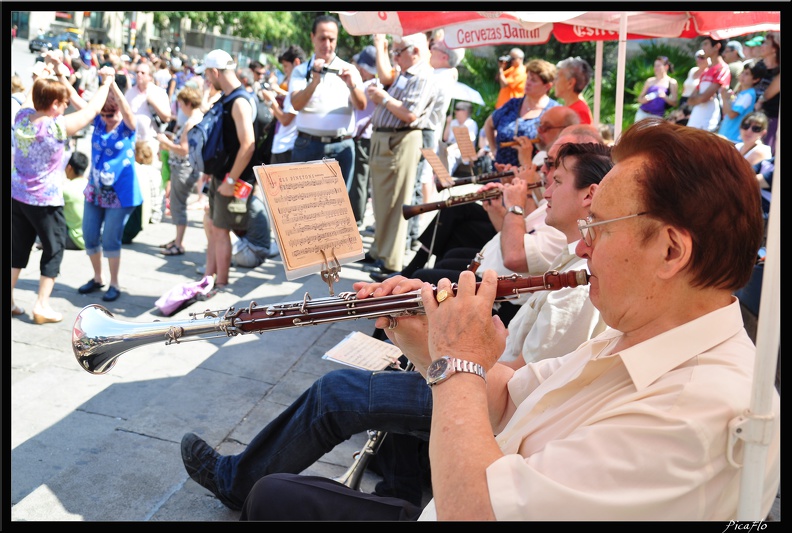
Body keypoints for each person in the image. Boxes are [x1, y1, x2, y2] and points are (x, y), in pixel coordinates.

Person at [237, 117, 779, 521]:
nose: (583, 249)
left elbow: (474, 510)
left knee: (278, 500)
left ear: (669, 251)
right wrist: (430, 339)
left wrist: (458, 362)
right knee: (276, 496)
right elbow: (512, 395)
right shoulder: (638, 335)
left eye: (600, 229)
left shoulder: (695, 410)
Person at [180, 141, 612, 511]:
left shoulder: (578, 278)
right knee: (400, 358)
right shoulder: (571, 257)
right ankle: (399, 490)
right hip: (484, 378)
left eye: (557, 180)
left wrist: (447, 349)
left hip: (487, 397)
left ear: (590, 196)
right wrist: (430, 337)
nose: (545, 185)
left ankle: (236, 483)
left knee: (337, 393)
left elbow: (520, 385)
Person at [11, 64, 112, 323]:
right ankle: (42, 305)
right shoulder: (56, 127)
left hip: (18, 195)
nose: (66, 106)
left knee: (17, 249)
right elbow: (91, 110)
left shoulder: (21, 119)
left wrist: (41, 73)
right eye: (63, 102)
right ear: (54, 103)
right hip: (45, 200)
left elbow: (26, 98)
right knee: (54, 248)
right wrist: (106, 83)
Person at [362, 32, 438, 278]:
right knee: (383, 200)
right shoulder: (407, 73)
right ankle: (379, 251)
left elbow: (410, 114)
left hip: (400, 139)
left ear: (414, 51)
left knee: (395, 202)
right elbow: (386, 75)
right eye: (393, 52)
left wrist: (383, 98)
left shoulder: (423, 75)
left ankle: (391, 262)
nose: (395, 57)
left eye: (398, 52)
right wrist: (379, 45)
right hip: (387, 138)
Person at [77, 72, 141, 303]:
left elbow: (128, 113)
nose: (106, 117)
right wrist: (62, 77)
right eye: (103, 113)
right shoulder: (97, 122)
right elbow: (78, 102)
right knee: (90, 234)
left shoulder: (127, 127)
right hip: (95, 190)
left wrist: (113, 84)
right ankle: (97, 278)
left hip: (120, 193)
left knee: (111, 239)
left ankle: (114, 283)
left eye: (110, 113)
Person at [197, 49, 257, 290]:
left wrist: (231, 180)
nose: (207, 80)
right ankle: (209, 277)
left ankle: (220, 284)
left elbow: (248, 145)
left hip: (232, 179)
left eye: (207, 75)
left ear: (214, 71)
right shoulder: (230, 97)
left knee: (221, 231)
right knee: (213, 227)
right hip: (222, 176)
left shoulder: (239, 101)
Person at [288, 14, 365, 187]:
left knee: (336, 208)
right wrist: (314, 81)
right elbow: (296, 104)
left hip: (340, 146)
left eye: (332, 39)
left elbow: (361, 105)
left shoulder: (349, 70)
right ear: (312, 37)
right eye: (322, 38)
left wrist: (352, 85)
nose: (327, 45)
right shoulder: (302, 71)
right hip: (307, 145)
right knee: (303, 206)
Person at [483, 59, 560, 167]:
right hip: (500, 172)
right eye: (527, 78)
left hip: (532, 177)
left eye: (533, 80)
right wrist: (494, 150)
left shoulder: (554, 111)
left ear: (547, 86)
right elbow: (488, 124)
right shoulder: (513, 104)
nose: (527, 82)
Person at [156, 86, 204, 256]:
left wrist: (165, 141)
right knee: (179, 205)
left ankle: (179, 243)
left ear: (188, 103)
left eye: (182, 104)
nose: (180, 108)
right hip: (190, 168)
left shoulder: (191, 123)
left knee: (178, 206)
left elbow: (183, 150)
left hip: (183, 168)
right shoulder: (199, 118)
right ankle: (177, 239)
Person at [347, 45, 380, 227]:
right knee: (362, 179)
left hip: (362, 138)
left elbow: (354, 103)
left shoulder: (368, 86)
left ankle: (356, 218)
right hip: (366, 137)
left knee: (359, 180)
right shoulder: (375, 85)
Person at [259, 45, 305, 164]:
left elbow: (286, 119)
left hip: (286, 147)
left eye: (285, 66)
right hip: (284, 146)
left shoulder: (299, 85)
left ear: (296, 62)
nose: (285, 70)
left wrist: (271, 102)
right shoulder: (300, 85)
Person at [124, 60, 171, 161]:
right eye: (137, 72)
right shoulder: (130, 92)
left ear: (150, 76)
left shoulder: (159, 93)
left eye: (142, 73)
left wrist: (153, 102)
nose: (139, 75)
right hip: (132, 139)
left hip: (150, 141)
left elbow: (167, 118)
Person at [686, 37, 731, 132]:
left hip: (709, 121)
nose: (703, 48)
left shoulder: (723, 69)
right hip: (695, 117)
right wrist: (699, 98)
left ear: (717, 47)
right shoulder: (706, 71)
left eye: (706, 44)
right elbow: (690, 100)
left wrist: (699, 98)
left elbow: (704, 97)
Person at [717, 59, 766, 144]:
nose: (742, 75)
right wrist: (727, 99)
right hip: (727, 136)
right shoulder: (743, 93)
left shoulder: (748, 94)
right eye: (743, 72)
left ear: (756, 79)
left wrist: (724, 98)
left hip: (733, 138)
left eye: (747, 74)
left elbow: (732, 114)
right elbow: (727, 112)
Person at [754, 32, 779, 156]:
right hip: (753, 120)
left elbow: (767, 95)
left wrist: (761, 100)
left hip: (770, 123)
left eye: (766, 43)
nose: (761, 46)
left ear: (775, 48)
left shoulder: (779, 72)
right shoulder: (759, 67)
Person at [669, 49, 709, 126]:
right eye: (698, 57)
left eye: (702, 57)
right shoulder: (693, 70)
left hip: (695, 103)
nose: (699, 59)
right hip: (684, 100)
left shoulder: (708, 74)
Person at [634, 56, 678, 123]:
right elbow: (639, 98)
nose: (655, 68)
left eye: (658, 66)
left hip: (657, 117)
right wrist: (644, 100)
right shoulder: (650, 80)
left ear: (666, 67)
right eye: (655, 66)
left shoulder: (671, 82)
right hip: (642, 113)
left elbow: (674, 103)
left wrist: (664, 97)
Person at [441, 101, 478, 176]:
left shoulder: (471, 124)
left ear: (465, 112)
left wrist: (452, 148)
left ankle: (445, 177)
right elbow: (445, 138)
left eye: (458, 109)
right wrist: (448, 123)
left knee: (451, 155)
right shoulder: (453, 122)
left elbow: (467, 141)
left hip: (464, 150)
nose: (455, 111)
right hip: (450, 146)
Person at [62, 151, 90, 250]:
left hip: (75, 240)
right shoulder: (90, 186)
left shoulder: (65, 189)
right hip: (92, 239)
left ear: (69, 167)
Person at [553, 57, 593, 124]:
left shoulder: (579, 112)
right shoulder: (573, 109)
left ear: (570, 83)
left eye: (557, 78)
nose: (554, 82)